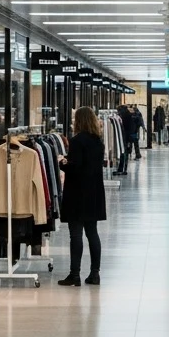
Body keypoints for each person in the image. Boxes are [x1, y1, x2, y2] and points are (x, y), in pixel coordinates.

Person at [58, 106, 106, 286]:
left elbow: (75, 167)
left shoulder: (77, 141)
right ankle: (95, 273)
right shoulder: (97, 141)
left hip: (77, 193)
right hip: (94, 192)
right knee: (92, 233)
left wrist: (62, 162)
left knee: (76, 235)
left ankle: (75, 274)